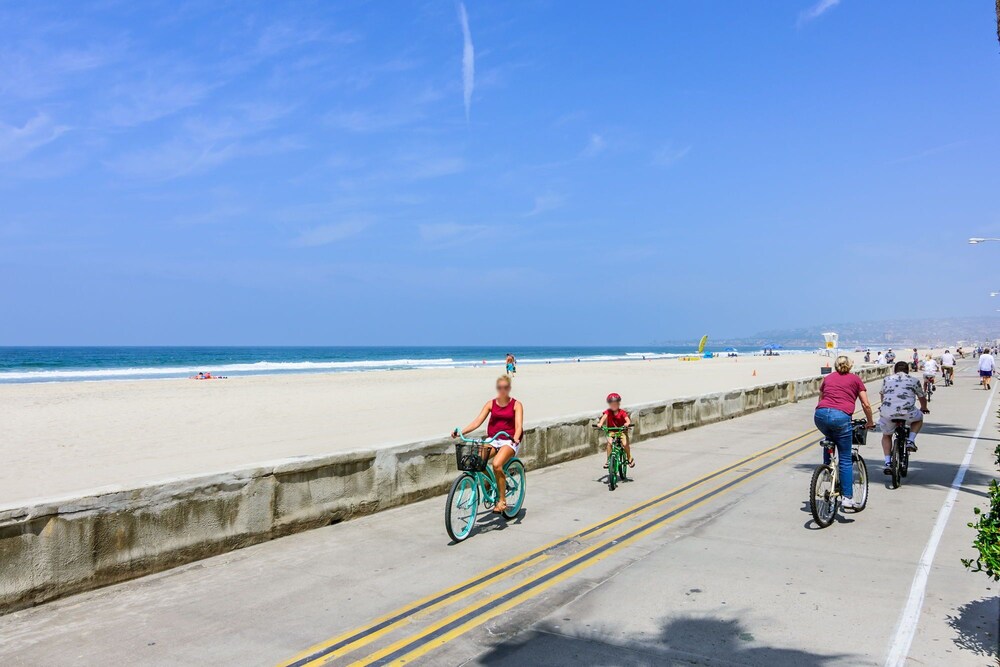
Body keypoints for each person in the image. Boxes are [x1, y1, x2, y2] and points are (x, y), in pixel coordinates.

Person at [453, 375, 523, 514]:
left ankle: (502, 501)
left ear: (509, 388)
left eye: (505, 387)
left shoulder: (516, 404)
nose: (502, 390)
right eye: (500, 387)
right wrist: (462, 431)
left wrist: (515, 437)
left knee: (497, 464)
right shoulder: (490, 404)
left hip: (509, 440)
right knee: (477, 461)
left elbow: (519, 425)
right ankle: (491, 482)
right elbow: (477, 421)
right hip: (493, 439)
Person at [814, 355, 875, 511]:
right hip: (841, 417)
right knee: (846, 459)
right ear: (850, 365)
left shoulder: (828, 378)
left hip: (820, 415)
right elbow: (866, 404)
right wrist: (870, 421)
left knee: (829, 435)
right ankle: (847, 498)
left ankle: (827, 468)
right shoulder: (855, 380)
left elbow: (820, 398)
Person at [879, 361, 929, 473]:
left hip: (887, 412)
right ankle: (910, 440)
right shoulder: (914, 380)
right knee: (919, 418)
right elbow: (921, 397)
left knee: (886, 435)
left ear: (894, 370)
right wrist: (924, 407)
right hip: (907, 413)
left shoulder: (887, 379)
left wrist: (885, 406)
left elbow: (882, 395)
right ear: (908, 370)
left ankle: (887, 462)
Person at [596, 393, 634, 469]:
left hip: (621, 431)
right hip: (611, 432)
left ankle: (629, 458)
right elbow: (603, 418)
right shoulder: (608, 412)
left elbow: (627, 420)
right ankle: (608, 460)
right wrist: (600, 423)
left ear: (618, 403)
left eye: (615, 404)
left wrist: (627, 423)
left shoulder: (622, 412)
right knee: (609, 444)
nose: (613, 406)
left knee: (625, 443)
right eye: (611, 404)